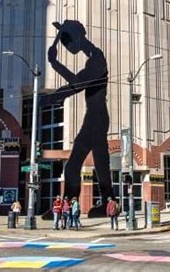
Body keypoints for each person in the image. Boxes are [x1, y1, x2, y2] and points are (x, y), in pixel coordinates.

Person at [43, 21, 115, 217]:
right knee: (101, 163)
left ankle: (68, 204)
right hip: (95, 117)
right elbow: (76, 83)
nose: (66, 47)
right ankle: (110, 203)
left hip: (96, 118)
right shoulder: (93, 57)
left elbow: (77, 84)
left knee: (75, 164)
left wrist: (54, 65)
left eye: (67, 42)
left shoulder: (97, 59)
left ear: (78, 38)